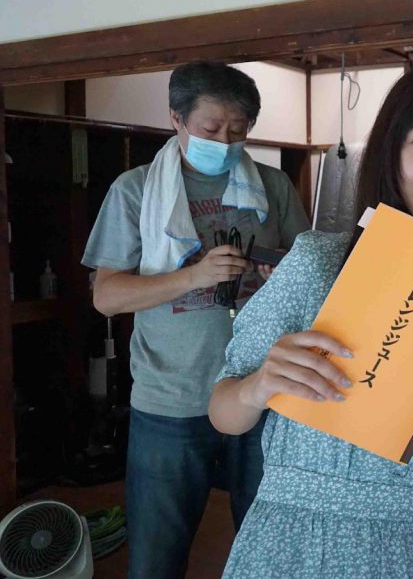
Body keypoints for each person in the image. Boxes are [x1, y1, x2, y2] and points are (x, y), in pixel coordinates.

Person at [207, 59, 413, 578]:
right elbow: (223, 410)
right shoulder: (316, 263)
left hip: (411, 551)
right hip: (286, 541)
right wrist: (259, 384)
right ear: (390, 151)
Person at [82, 61, 311, 579]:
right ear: (176, 119)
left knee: (268, 552)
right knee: (156, 558)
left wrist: (278, 275)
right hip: (170, 401)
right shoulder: (135, 190)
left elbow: (309, 272)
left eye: (239, 131)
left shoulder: (272, 187)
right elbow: (108, 296)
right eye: (211, 129)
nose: (226, 142)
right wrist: (192, 277)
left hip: (262, 394)